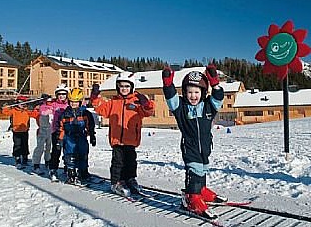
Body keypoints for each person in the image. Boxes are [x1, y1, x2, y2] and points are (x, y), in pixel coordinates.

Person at [162, 65, 226, 219]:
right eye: (189, 92)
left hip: (205, 146)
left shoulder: (208, 106)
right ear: (185, 92)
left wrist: (215, 84)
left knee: (203, 167)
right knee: (194, 169)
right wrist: (168, 85)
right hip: (189, 146)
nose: (193, 95)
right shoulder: (181, 107)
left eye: (197, 92)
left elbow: (218, 97)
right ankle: (192, 198)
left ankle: (201, 190)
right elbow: (171, 98)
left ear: (203, 93)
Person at [90, 72, 155, 196]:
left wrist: (146, 104)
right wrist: (95, 97)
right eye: (121, 86)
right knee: (118, 162)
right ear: (117, 87)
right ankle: (116, 182)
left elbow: (149, 112)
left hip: (131, 139)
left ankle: (130, 179)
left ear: (132, 87)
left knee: (131, 162)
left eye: (127, 86)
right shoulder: (113, 102)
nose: (124, 89)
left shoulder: (137, 102)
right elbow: (100, 108)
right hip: (117, 140)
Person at [58, 88, 96, 185]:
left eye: (76, 102)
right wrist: (60, 140)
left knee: (83, 155)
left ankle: (83, 173)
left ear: (80, 102)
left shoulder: (85, 113)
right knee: (70, 155)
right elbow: (61, 128)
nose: (73, 104)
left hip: (81, 137)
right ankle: (71, 174)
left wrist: (92, 136)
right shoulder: (65, 114)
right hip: (69, 137)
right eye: (71, 102)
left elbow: (90, 126)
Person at [1, 95, 39, 169]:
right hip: (16, 130)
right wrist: (7, 105)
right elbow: (4, 111)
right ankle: (17, 159)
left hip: (25, 130)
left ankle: (25, 159)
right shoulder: (13, 110)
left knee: (25, 145)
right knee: (17, 145)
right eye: (20, 102)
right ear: (17, 103)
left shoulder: (26, 111)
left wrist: (37, 108)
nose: (22, 104)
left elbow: (35, 114)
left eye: (24, 103)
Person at [49, 84, 69, 182]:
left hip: (68, 132)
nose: (61, 96)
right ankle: (53, 169)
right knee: (56, 151)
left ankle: (68, 168)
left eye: (64, 94)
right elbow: (43, 110)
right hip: (56, 131)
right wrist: (46, 103)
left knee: (68, 151)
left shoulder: (69, 105)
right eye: (59, 94)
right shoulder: (53, 105)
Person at [31, 97, 54, 174]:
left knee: (49, 147)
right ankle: (36, 164)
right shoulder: (41, 108)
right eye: (48, 102)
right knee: (40, 147)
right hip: (42, 130)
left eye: (51, 102)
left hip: (51, 130)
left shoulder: (53, 108)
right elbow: (35, 113)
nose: (50, 103)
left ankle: (47, 162)